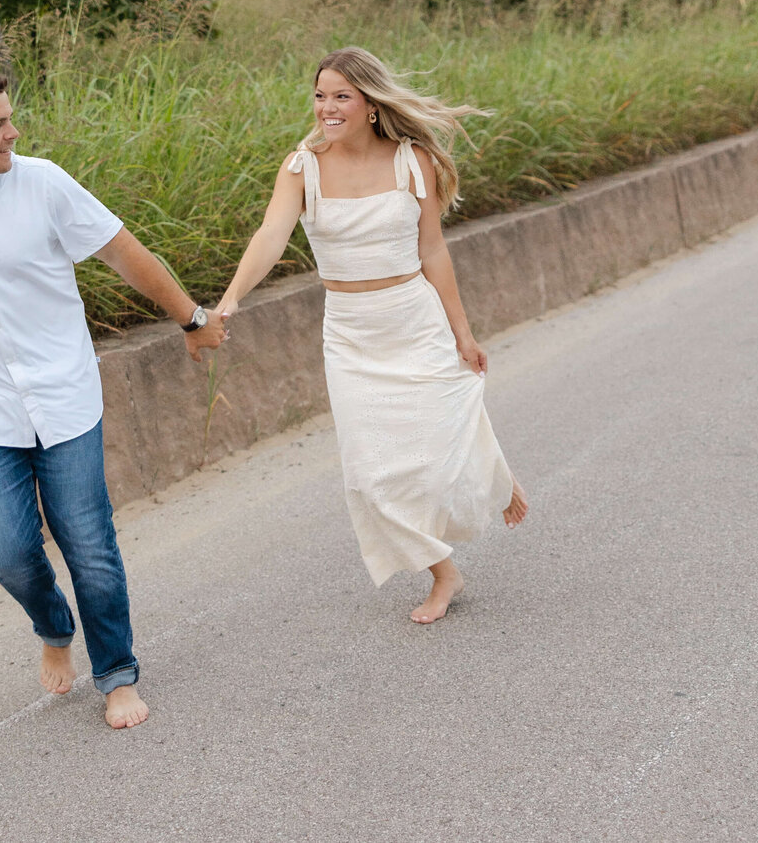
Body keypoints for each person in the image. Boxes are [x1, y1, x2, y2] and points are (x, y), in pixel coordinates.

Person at [0, 66, 226, 728]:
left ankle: (116, 676)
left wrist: (190, 319)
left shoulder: (44, 183)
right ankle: (54, 627)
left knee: (89, 543)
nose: (13, 132)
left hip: (64, 396)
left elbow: (124, 253)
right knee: (6, 551)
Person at [215, 47, 527, 623]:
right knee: (369, 474)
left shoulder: (413, 161)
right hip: (351, 332)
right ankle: (444, 571)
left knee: (436, 440)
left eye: (341, 96)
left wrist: (463, 331)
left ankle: (489, 477)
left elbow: (432, 248)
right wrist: (232, 298)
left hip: (413, 315)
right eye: (319, 95)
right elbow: (270, 236)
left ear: (370, 104)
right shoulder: (301, 167)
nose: (327, 107)